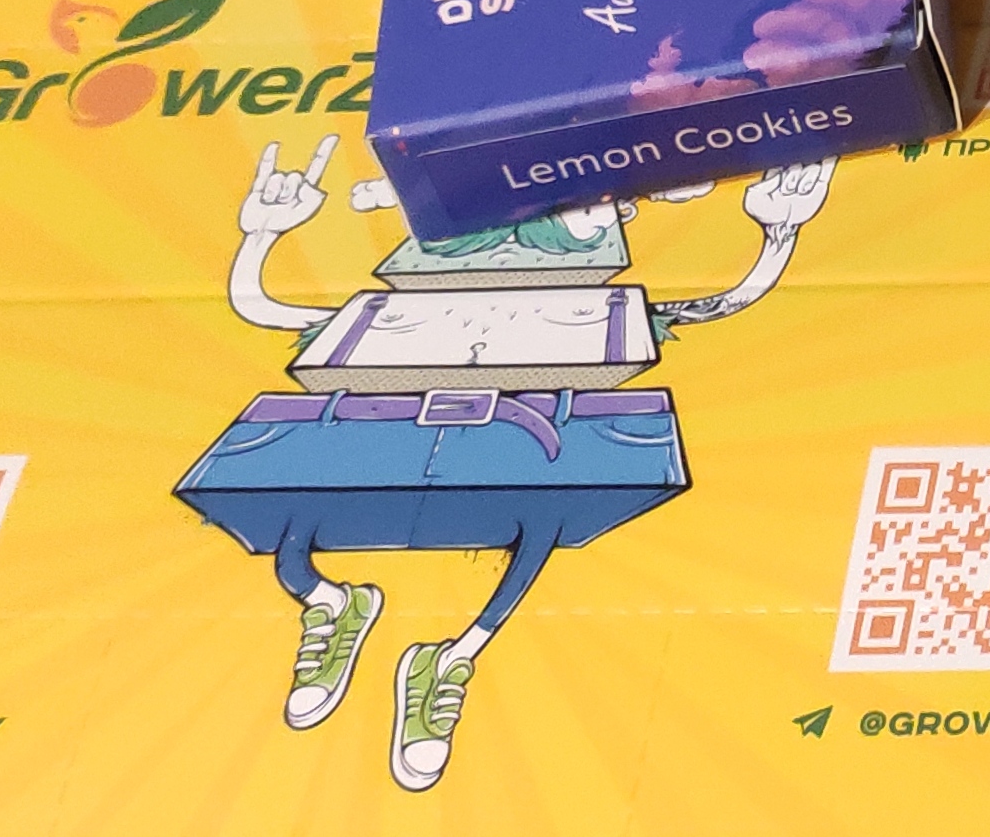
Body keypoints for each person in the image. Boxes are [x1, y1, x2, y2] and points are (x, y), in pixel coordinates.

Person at [185, 137, 833, 792]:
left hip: (530, 428)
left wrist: (779, 232)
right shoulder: (385, 307)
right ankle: (330, 602)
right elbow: (265, 308)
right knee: (293, 496)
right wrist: (262, 235)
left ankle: (450, 658)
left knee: (542, 514)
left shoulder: (605, 307)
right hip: (380, 415)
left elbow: (716, 301)